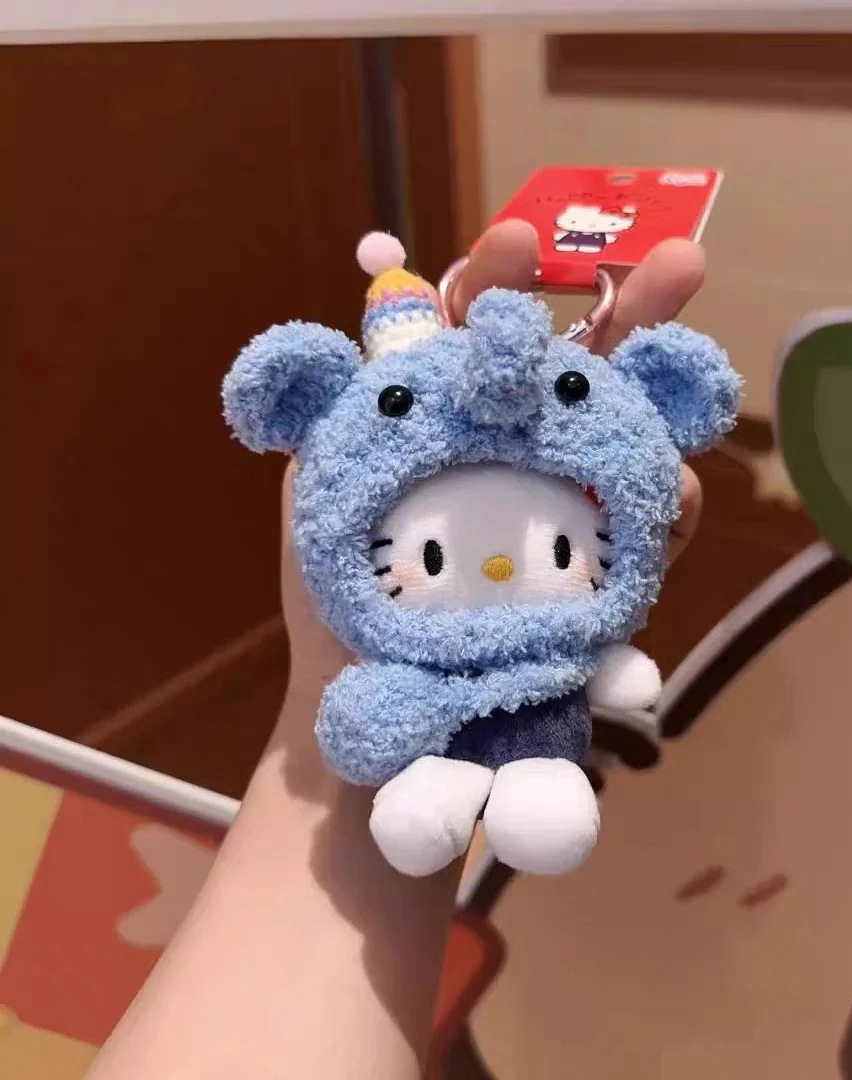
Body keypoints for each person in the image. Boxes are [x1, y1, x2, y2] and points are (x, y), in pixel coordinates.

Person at [86, 219, 707, 1080]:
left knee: (537, 803)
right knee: (417, 804)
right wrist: (334, 700)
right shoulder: (386, 631)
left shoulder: (565, 631)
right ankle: (444, 795)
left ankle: (523, 789)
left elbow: (618, 674)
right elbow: (359, 726)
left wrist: (611, 663)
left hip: (543, 725)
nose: (500, 569)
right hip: (428, 731)